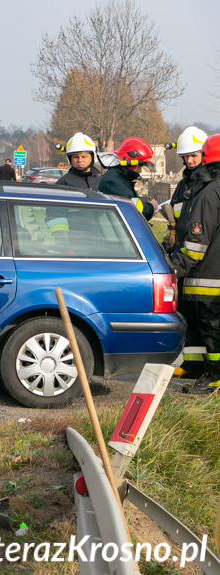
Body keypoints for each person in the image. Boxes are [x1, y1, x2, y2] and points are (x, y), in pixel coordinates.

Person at [169, 133, 220, 393]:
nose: (190, 161)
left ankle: (214, 378)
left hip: (206, 274)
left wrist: (174, 267)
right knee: (200, 325)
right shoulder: (199, 187)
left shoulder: (209, 192)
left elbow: (197, 240)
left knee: (211, 328)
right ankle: (200, 369)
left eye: (195, 156)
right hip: (204, 272)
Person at [165, 126, 208, 379]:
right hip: (184, 255)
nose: (190, 161)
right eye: (186, 157)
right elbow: (176, 218)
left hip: (200, 259)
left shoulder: (208, 185)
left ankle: (208, 368)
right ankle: (192, 365)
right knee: (189, 315)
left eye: (194, 155)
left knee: (206, 321)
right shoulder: (183, 185)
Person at [97, 136, 158, 220]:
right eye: (139, 166)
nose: (140, 171)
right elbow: (131, 207)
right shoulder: (112, 181)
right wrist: (151, 207)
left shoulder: (120, 178)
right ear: (130, 163)